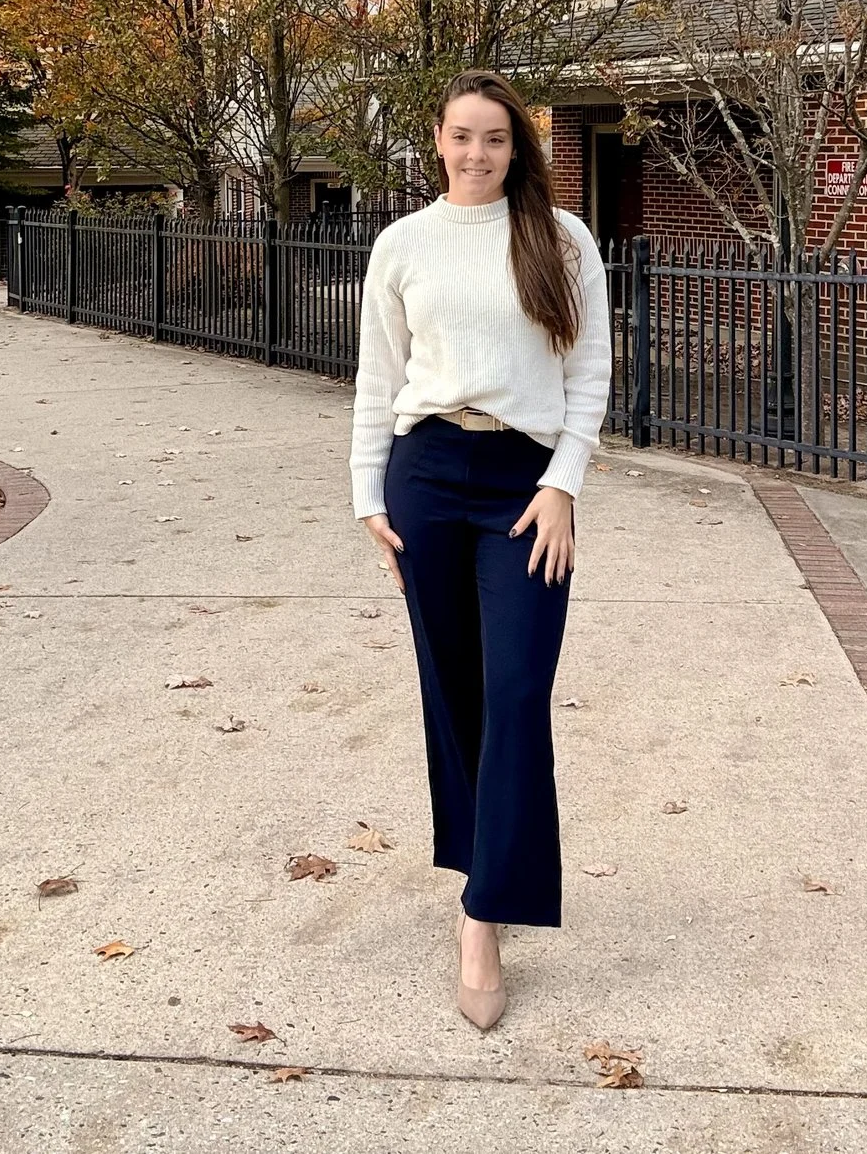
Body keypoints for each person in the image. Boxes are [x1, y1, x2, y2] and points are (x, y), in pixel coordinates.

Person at [349, 70, 611, 1032]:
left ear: (517, 145)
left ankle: (480, 911)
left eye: (495, 138)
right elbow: (378, 378)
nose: (477, 153)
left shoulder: (560, 238)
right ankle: (482, 878)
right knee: (453, 686)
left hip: (524, 484)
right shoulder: (402, 243)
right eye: (462, 136)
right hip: (426, 475)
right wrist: (365, 496)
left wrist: (563, 485)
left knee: (515, 692)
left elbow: (590, 373)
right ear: (438, 139)